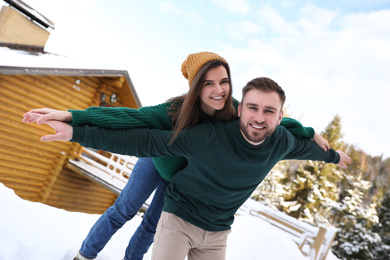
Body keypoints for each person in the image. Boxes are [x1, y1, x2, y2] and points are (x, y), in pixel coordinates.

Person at [23, 53, 329, 260]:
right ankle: (85, 255)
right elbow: (130, 118)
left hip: (182, 180)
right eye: (208, 83)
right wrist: (72, 117)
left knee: (151, 228)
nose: (218, 89)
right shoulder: (174, 111)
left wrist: (309, 130)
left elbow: (274, 122)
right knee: (123, 211)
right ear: (195, 86)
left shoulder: (237, 110)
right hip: (156, 161)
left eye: (223, 81)